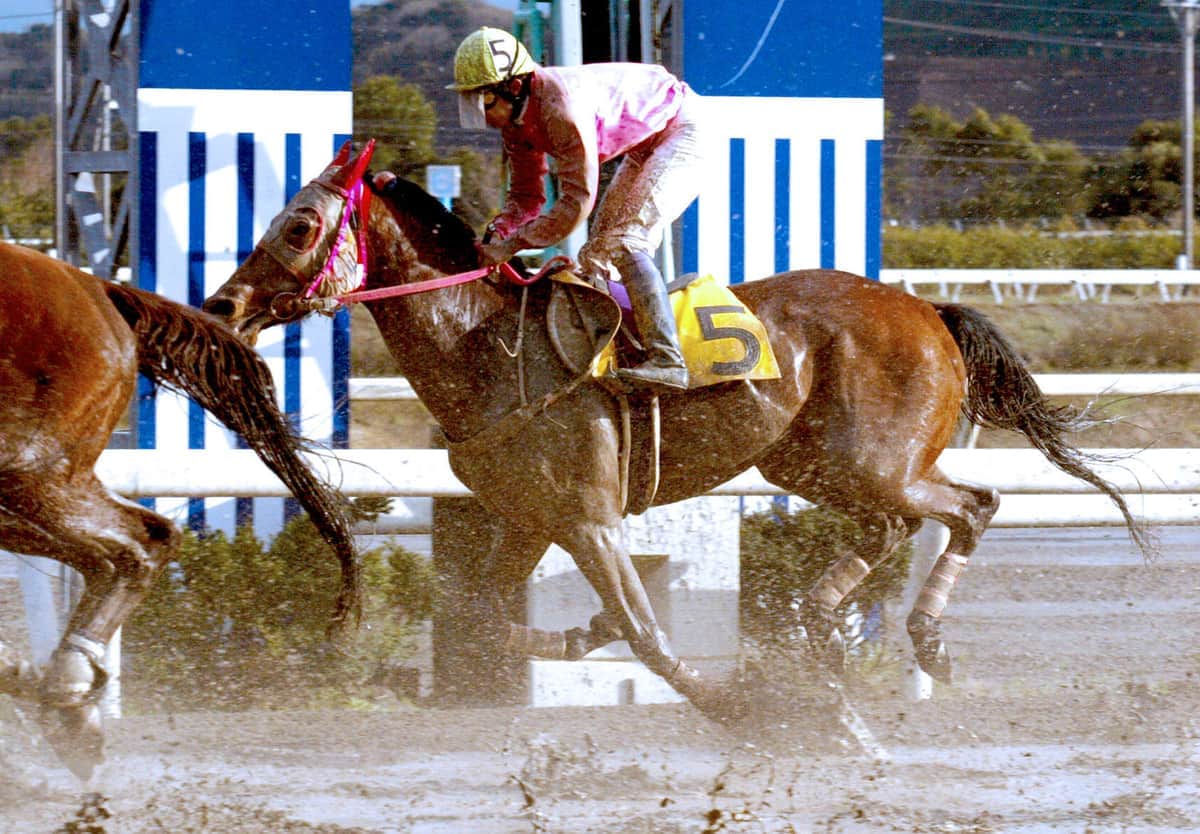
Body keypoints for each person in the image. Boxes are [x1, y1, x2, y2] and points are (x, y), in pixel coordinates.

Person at [447, 26, 706, 391]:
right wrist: (500, 231)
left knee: (627, 240)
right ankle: (623, 352)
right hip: (645, 144)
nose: (484, 117)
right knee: (595, 254)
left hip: (684, 129)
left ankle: (667, 360)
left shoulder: (561, 108)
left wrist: (513, 245)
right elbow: (526, 197)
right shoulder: (515, 122)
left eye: (485, 102)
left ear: (515, 86)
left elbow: (576, 204)